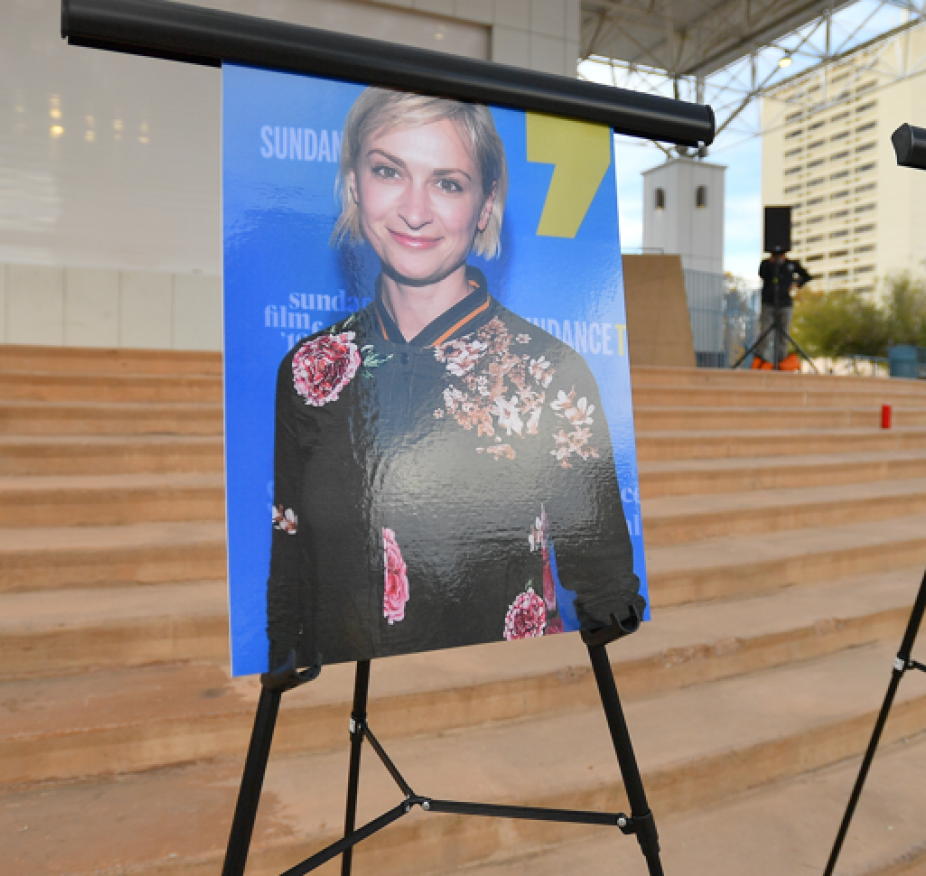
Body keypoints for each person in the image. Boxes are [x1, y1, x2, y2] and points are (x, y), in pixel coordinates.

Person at [266, 88, 645, 669]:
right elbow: (290, 575)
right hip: (339, 708)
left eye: (447, 182)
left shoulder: (550, 375)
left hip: (500, 722)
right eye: (389, 171)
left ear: (486, 204)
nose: (414, 210)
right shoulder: (309, 372)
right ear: (352, 184)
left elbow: (605, 589)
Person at [756, 250, 811, 369]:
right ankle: (760, 362)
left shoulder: (791, 264)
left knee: (783, 336)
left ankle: (781, 363)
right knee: (766, 334)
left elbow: (807, 276)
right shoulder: (766, 264)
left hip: (785, 304)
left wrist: (796, 283)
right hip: (769, 303)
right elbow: (762, 274)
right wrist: (771, 264)